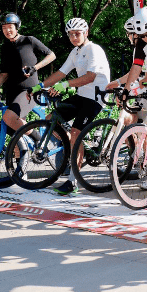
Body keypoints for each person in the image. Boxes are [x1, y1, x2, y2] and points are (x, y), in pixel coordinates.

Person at [37, 18, 111, 195]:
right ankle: (78, 145)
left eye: (77, 34)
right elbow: (61, 73)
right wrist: (39, 86)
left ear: (86, 33)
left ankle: (73, 181)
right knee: (50, 120)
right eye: (70, 34)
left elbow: (90, 77)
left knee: (76, 134)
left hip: (95, 97)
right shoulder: (75, 52)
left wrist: (65, 85)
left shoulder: (93, 49)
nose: (73, 37)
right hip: (81, 95)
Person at [0, 12, 56, 139]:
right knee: (12, 131)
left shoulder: (29, 40)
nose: (7, 30)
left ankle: (38, 139)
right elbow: (4, 73)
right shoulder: (5, 48)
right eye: (4, 28)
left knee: (9, 118)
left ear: (17, 27)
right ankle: (19, 158)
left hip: (29, 91)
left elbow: (51, 55)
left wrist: (35, 67)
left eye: (10, 27)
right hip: (11, 91)